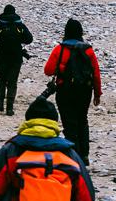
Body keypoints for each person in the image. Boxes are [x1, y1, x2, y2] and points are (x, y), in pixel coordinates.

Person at [44, 19, 102, 165]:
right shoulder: (88, 50)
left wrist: (62, 68)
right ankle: (85, 155)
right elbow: (95, 73)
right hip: (85, 91)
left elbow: (48, 70)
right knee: (82, 120)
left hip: (65, 90)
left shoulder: (60, 49)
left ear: (66, 32)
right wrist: (97, 93)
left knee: (69, 123)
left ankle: (73, 154)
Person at [0, 5, 34, 116]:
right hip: (16, 57)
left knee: (2, 79)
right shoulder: (19, 25)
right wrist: (19, 39)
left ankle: (0, 103)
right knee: (12, 81)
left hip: (1, 56)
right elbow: (29, 39)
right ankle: (10, 108)